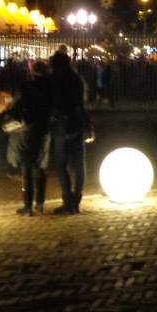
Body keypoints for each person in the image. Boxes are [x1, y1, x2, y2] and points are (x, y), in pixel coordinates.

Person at [0, 60, 52, 216]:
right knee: (41, 166)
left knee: (27, 167)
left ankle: (28, 206)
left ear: (32, 70)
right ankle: (40, 203)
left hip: (27, 130)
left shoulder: (26, 86)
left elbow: (14, 106)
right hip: (45, 130)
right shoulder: (51, 87)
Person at [49, 52, 92, 215]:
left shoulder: (54, 79)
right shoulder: (76, 78)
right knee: (79, 165)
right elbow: (81, 103)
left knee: (61, 166)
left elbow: (53, 102)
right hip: (77, 123)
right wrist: (87, 123)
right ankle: (76, 200)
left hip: (61, 125)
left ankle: (68, 201)